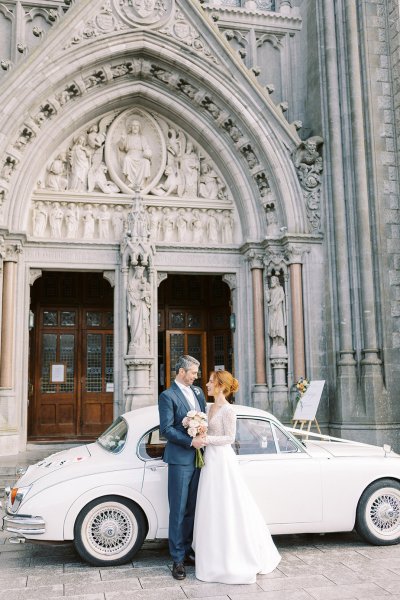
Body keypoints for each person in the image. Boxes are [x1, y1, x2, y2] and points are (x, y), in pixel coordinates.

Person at [193, 370, 281, 584]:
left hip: (222, 461)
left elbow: (229, 438)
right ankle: (211, 555)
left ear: (221, 386)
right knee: (210, 505)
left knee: (227, 505)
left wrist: (206, 439)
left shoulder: (228, 410)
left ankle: (232, 556)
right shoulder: (208, 407)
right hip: (210, 461)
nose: (207, 384)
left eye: (211, 381)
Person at [158, 355, 207, 581]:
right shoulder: (167, 396)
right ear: (181, 372)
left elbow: (204, 419)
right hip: (180, 459)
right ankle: (177, 559)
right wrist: (190, 441)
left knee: (192, 508)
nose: (196, 377)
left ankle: (187, 551)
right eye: (193, 373)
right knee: (178, 509)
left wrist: (203, 435)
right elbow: (166, 429)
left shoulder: (198, 393)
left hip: (199, 459)